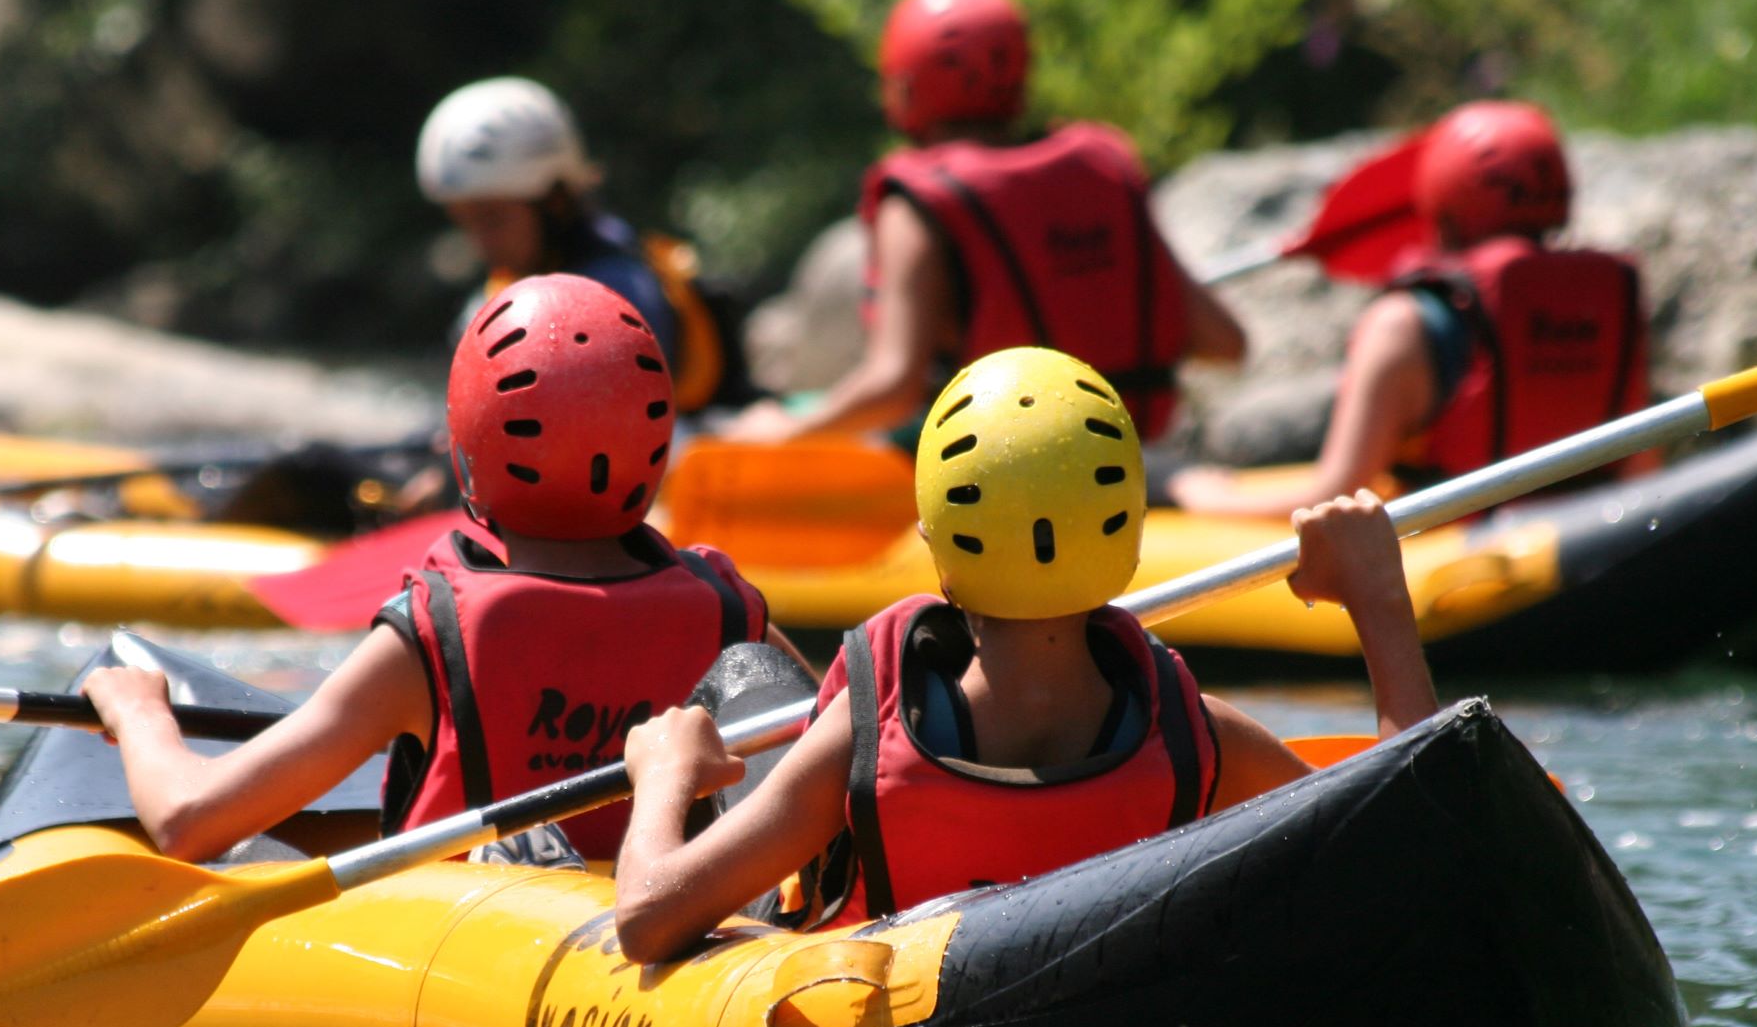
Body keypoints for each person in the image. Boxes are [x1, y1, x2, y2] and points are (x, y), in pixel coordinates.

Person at [614, 346, 1437, 963]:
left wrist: (663, 776)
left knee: (749, 677)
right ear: (1126, 540)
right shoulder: (1198, 740)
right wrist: (1379, 604)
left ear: (939, 555)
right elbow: (1407, 862)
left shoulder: (865, 740)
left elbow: (649, 920)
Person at [86, 273, 803, 866]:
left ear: (469, 448)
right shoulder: (732, 618)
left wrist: (139, 709)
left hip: (473, 953)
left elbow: (187, 821)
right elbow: (840, 740)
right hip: (679, 943)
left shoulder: (434, 635)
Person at [723, 0, 1245, 447]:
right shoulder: (1101, 167)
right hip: (1131, 454)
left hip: (1004, 470)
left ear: (905, 86)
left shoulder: (919, 203)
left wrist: (789, 430)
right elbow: (1225, 342)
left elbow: (893, 386)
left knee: (800, 417)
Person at [1169, 100, 1649, 517]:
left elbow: (1336, 495)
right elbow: (1641, 466)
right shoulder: (1611, 299)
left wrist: (1204, 497)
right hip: (1592, 532)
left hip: (1464, 559)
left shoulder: (1403, 325)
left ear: (1439, 198)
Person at [418, 76, 732, 414]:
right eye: (466, 223)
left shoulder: (617, 291)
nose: (481, 243)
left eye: (493, 219)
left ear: (554, 202)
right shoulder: (501, 289)